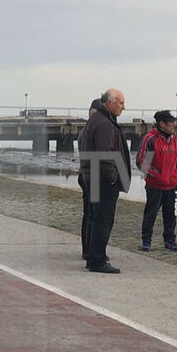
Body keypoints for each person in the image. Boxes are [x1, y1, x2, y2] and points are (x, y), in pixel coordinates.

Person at [78, 88, 130, 274]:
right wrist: (112, 178)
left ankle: (93, 256)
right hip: (101, 180)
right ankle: (97, 259)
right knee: (103, 219)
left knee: (93, 217)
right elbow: (106, 154)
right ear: (110, 103)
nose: (124, 107)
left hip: (91, 177)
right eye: (121, 103)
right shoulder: (104, 124)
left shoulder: (96, 120)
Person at [137, 110, 177, 251]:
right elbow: (142, 162)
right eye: (171, 123)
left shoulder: (175, 140)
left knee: (171, 215)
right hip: (155, 185)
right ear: (162, 124)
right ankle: (146, 241)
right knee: (150, 214)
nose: (174, 125)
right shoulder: (151, 139)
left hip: (173, 185)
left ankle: (170, 241)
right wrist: (157, 175)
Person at [78, 99, 101, 259]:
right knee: (93, 215)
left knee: (90, 214)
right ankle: (90, 251)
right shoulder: (91, 130)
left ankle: (88, 249)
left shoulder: (86, 130)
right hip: (92, 176)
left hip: (87, 174)